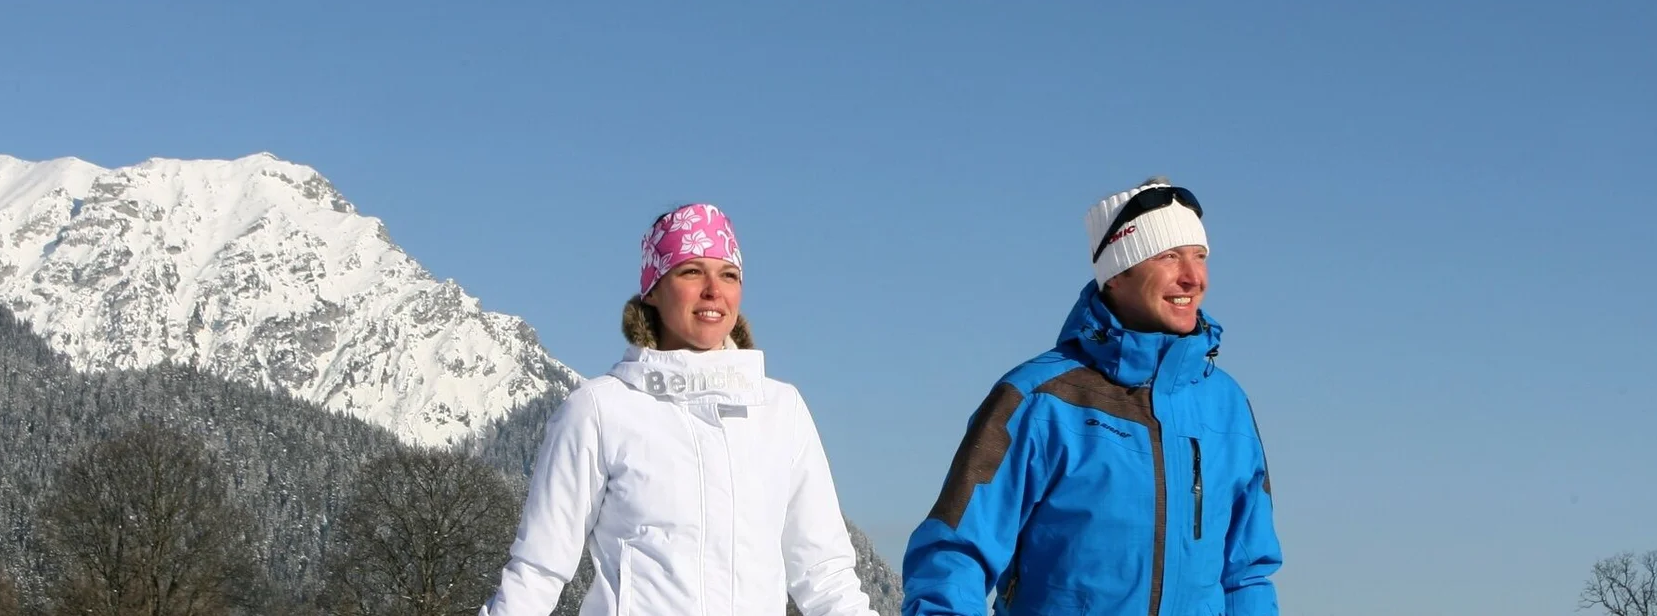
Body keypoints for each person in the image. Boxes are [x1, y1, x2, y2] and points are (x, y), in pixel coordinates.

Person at [900, 177, 1283, 615]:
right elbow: (954, 554)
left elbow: (1246, 573)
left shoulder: (1226, 406)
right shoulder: (1039, 399)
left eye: (1200, 256)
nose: (1193, 277)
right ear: (1117, 274)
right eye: (1169, 256)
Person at [480, 203, 877, 616]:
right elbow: (539, 567)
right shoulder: (600, 410)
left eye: (729, 275)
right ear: (652, 288)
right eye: (691, 271)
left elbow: (825, 575)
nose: (713, 290)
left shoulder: (780, 410)